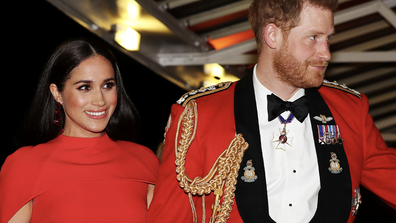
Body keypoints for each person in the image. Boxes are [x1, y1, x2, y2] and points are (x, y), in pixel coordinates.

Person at [146, 0, 396, 222]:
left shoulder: (350, 110)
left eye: (328, 38)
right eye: (313, 38)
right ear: (272, 36)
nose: (326, 53)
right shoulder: (199, 114)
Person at [0, 39, 159, 223]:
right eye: (85, 87)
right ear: (57, 93)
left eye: (107, 85)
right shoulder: (24, 165)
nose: (100, 100)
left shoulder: (144, 161)